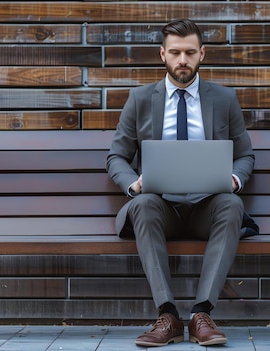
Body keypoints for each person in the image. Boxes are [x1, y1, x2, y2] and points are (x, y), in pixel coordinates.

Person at [106, 18, 255, 347]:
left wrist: (233, 178)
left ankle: (202, 314)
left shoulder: (223, 99)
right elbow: (116, 156)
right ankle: (168, 315)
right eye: (175, 53)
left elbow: (246, 156)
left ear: (203, 53)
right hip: (161, 208)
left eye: (190, 52)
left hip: (207, 206)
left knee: (233, 204)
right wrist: (134, 184)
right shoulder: (141, 99)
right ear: (163, 54)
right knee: (141, 204)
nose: (183, 60)